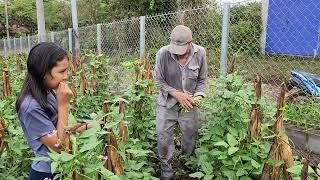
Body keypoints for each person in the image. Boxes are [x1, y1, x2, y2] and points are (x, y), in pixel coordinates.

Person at [15, 42, 78, 180]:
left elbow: (63, 126)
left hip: (63, 167)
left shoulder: (47, 92)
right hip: (47, 173)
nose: (66, 76)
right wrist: (63, 106)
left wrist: (93, 125)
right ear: (44, 73)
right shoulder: (30, 107)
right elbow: (58, 146)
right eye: (61, 71)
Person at [154, 25, 208, 179]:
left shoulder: (200, 53)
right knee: (163, 138)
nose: (177, 52)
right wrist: (176, 93)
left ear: (190, 43)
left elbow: (202, 80)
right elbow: (158, 80)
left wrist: (198, 96)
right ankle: (167, 172)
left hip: (189, 106)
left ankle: (187, 166)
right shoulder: (163, 53)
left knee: (190, 136)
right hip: (167, 104)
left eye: (181, 48)